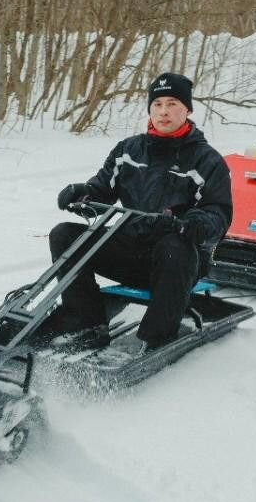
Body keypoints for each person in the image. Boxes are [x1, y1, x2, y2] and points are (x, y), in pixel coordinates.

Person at [43, 72, 232, 351]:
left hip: (177, 260)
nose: (164, 111)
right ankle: (85, 321)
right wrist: (80, 193)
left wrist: (194, 222)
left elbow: (219, 213)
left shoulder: (207, 160)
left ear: (187, 109)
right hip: (130, 249)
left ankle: (157, 335)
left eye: (172, 104)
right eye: (157, 104)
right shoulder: (129, 150)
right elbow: (101, 188)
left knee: (173, 247)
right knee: (64, 235)